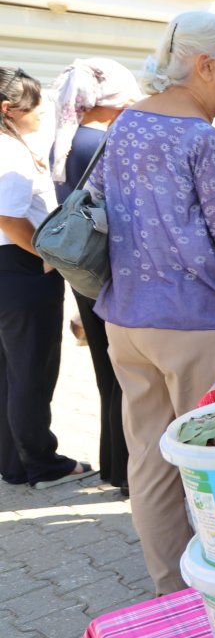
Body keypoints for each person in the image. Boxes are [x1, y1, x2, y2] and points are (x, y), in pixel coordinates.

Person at [88, 11, 215, 594]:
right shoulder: (203, 140)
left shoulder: (125, 124)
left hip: (126, 319)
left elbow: (100, 205)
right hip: (196, 323)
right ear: (204, 66)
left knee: (149, 462)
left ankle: (169, 594)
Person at [0, 66, 96, 490]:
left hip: (9, 269)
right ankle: (41, 463)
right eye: (33, 103)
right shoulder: (8, 150)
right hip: (20, 269)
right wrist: (45, 255)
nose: (41, 111)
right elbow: (9, 218)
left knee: (9, 371)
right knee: (32, 370)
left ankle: (14, 463)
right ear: (8, 109)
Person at [49, 58, 142, 496]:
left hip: (81, 266)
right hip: (109, 268)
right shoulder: (104, 142)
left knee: (106, 371)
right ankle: (126, 473)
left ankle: (112, 465)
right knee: (125, 372)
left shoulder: (68, 139)